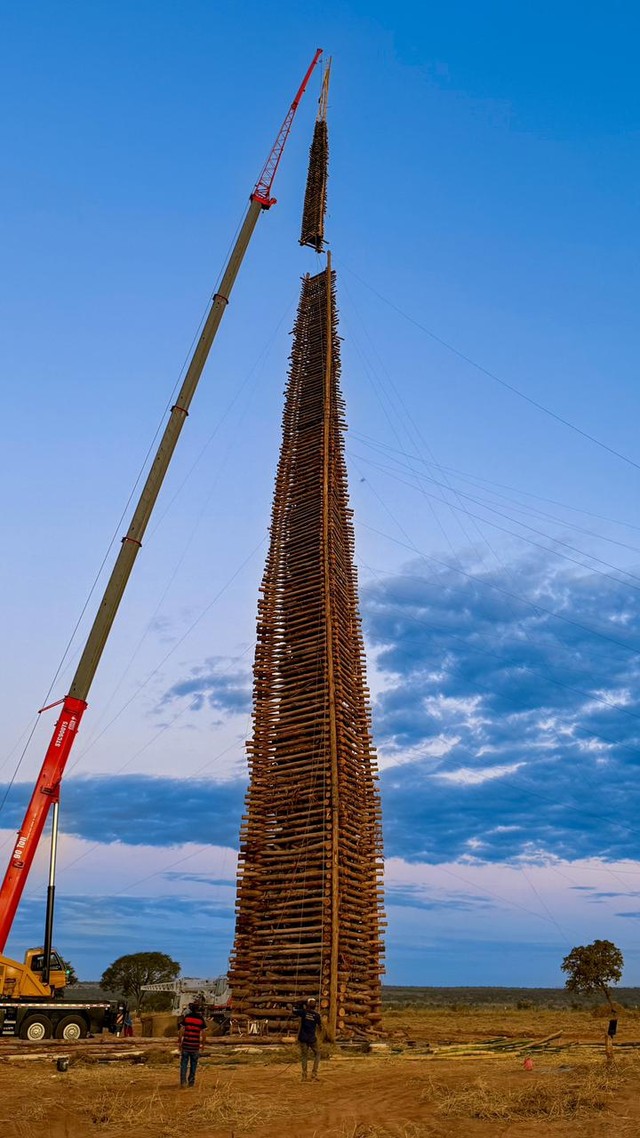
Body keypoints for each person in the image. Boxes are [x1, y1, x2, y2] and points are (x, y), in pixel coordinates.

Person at [178, 1001, 207, 1088]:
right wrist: (203, 1044)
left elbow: (181, 1030)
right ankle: (191, 1082)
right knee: (193, 1065)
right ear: (198, 1009)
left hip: (186, 1045)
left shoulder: (187, 1018)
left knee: (184, 1064)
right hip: (195, 1046)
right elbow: (204, 1033)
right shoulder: (200, 1019)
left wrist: (180, 1042)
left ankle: (183, 1082)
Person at [292, 997, 322, 1081]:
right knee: (318, 1053)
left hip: (303, 1038)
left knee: (304, 1056)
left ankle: (304, 1076)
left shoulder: (303, 1012)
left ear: (307, 1005)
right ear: (315, 1006)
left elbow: (294, 1010)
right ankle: (314, 1074)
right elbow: (320, 1026)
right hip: (312, 1038)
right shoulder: (317, 1015)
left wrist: (299, 1003)